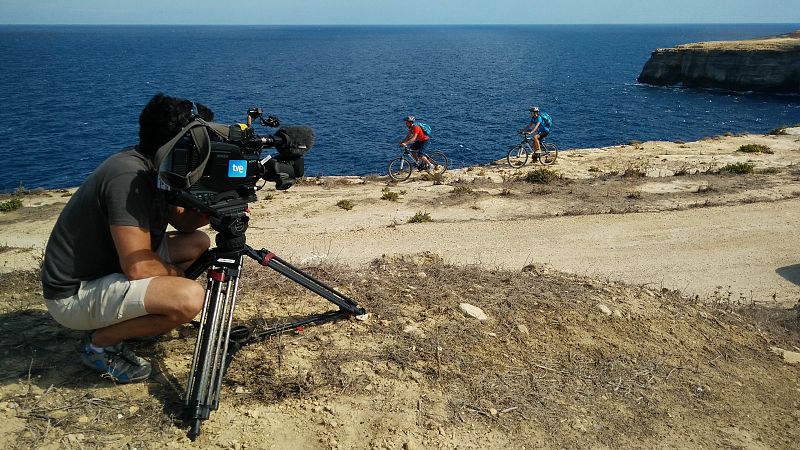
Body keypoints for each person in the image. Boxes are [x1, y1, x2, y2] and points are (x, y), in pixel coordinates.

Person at [41, 93, 211, 383]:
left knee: (197, 242)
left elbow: (184, 222)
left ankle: (137, 317)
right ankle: (99, 344)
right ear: (178, 144)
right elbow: (139, 269)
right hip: (74, 294)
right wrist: (175, 276)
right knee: (190, 296)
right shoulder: (128, 177)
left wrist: (220, 203)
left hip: (107, 270)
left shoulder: (154, 165)